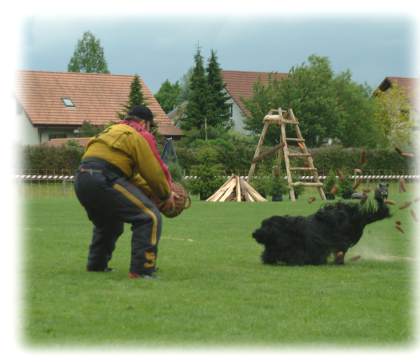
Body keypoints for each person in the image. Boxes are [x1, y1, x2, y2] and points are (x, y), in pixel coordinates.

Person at [74, 105, 176, 279]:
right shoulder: (137, 135)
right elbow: (153, 171)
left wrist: (148, 190)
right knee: (149, 217)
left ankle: (96, 265)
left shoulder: (109, 131)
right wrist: (166, 194)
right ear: (144, 123)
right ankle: (142, 270)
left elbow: (130, 176)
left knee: (109, 223)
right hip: (104, 177)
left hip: (82, 180)